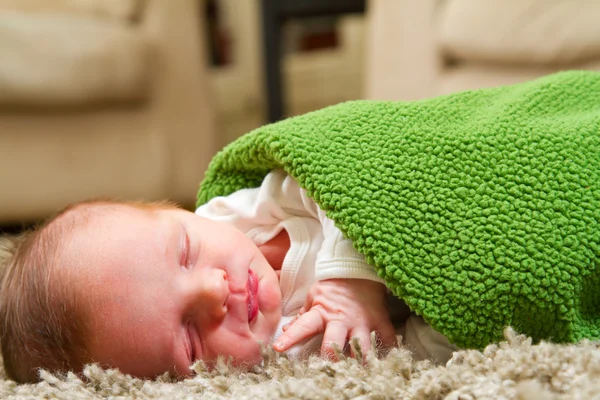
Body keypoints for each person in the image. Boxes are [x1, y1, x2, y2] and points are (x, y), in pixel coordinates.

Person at [0, 169, 455, 383]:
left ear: (182, 212)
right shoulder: (290, 357)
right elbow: (411, 354)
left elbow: (335, 175)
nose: (215, 289)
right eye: (190, 339)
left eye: (184, 252)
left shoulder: (234, 215)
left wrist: (348, 282)